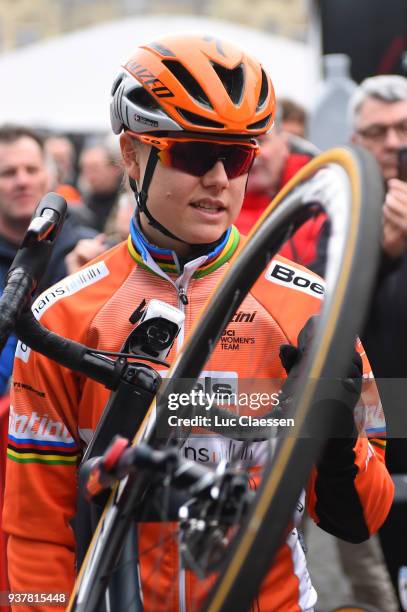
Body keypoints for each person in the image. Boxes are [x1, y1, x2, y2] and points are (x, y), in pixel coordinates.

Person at [3, 35, 393, 611]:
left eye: (237, 157)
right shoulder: (62, 314)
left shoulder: (308, 306)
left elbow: (364, 518)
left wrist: (340, 440)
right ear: (133, 153)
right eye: (193, 154)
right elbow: (35, 534)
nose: (219, 179)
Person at [350, 74, 407, 607]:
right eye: (378, 131)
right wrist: (378, 253)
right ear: (355, 142)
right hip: (378, 439)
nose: (394, 143)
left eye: (404, 129)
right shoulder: (335, 212)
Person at [0, 125, 98, 396]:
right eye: (8, 173)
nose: (22, 181)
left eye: (31, 170)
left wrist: (78, 292)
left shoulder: (92, 254)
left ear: (49, 176)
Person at [235, 124, 325, 271]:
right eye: (239, 145)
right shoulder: (206, 212)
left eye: (261, 141)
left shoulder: (322, 196)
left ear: (284, 144)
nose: (251, 153)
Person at [71, 138, 123, 232]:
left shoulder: (129, 202)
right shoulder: (85, 204)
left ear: (115, 168)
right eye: (84, 169)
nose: (89, 176)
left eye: (94, 169)